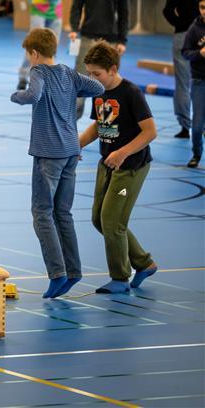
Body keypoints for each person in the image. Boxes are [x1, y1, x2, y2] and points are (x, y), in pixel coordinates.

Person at [10, 28, 103, 298]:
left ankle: (57, 273)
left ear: (35, 54)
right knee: (63, 214)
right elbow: (97, 87)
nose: (29, 60)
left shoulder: (38, 72)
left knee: (42, 213)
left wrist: (17, 96)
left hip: (48, 153)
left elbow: (34, 95)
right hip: (71, 151)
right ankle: (73, 272)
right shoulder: (67, 72)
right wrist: (74, 92)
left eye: (29, 56)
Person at [78, 42, 159, 294]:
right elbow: (99, 125)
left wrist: (123, 152)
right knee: (98, 219)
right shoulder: (99, 91)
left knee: (112, 221)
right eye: (89, 74)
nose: (93, 78)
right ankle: (144, 263)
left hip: (131, 165)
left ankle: (120, 278)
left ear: (112, 69)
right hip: (108, 163)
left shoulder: (131, 93)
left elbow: (150, 132)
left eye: (97, 74)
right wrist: (75, 145)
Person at [69, 0, 129, 119]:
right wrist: (74, 28)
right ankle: (69, 129)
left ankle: (106, 131)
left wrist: (122, 40)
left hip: (110, 41)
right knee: (80, 84)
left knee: (107, 87)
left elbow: (124, 15)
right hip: (87, 38)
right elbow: (76, 7)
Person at [163, 0, 205, 139]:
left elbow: (167, 10)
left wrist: (181, 24)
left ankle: (185, 126)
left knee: (182, 82)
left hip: (182, 35)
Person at [181, 0, 205, 168]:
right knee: (196, 126)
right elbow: (185, 52)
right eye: (203, 7)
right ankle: (197, 154)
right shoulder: (194, 28)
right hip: (199, 82)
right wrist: (200, 53)